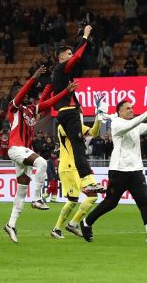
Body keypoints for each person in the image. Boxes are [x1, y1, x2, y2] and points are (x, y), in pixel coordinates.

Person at [3, 66, 78, 243]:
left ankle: (11, 224)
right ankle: (36, 199)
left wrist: (65, 91)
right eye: (22, 93)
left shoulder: (30, 110)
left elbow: (48, 103)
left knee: (21, 193)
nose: (26, 96)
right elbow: (21, 94)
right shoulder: (13, 108)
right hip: (16, 148)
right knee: (43, 163)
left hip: (23, 153)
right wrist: (33, 79)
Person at [80, 98, 147, 244]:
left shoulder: (135, 124)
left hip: (136, 170)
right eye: (128, 108)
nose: (131, 110)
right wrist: (146, 113)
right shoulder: (116, 124)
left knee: (145, 202)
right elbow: (132, 124)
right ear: (119, 112)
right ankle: (87, 222)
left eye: (132, 108)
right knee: (110, 203)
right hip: (119, 170)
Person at [50, 25, 106, 194]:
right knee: (79, 147)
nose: (71, 56)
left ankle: (88, 181)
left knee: (78, 146)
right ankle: (87, 182)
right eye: (68, 54)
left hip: (65, 112)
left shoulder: (60, 74)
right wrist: (86, 35)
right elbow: (78, 55)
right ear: (61, 58)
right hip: (68, 112)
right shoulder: (61, 69)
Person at [51, 94, 104, 239]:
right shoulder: (64, 126)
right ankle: (73, 224)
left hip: (69, 165)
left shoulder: (75, 125)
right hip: (71, 165)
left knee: (73, 200)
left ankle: (57, 229)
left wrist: (98, 116)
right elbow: (76, 134)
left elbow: (94, 132)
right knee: (92, 196)